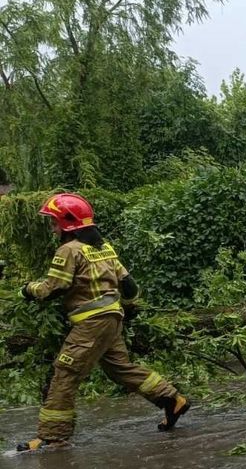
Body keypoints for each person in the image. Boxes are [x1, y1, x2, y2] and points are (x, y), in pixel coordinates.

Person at [16, 193, 190, 452]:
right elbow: (131, 288)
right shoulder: (104, 248)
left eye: (54, 222)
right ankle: (172, 399)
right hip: (111, 319)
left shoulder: (68, 250)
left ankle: (52, 437)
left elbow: (54, 288)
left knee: (65, 372)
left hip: (90, 324)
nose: (52, 228)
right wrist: (125, 311)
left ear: (67, 223)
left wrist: (28, 290)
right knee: (120, 368)